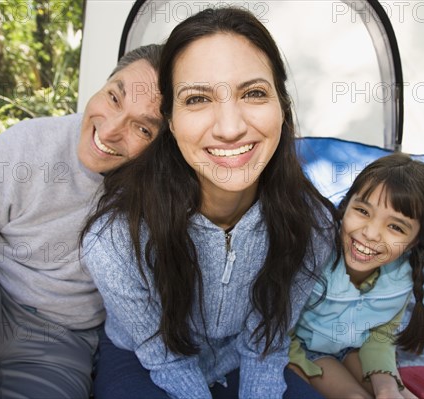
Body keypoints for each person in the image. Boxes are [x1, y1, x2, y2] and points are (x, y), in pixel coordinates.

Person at [81, 7, 337, 399]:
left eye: (253, 93)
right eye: (197, 98)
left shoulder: (313, 226)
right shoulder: (114, 240)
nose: (230, 127)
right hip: (142, 357)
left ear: (282, 106)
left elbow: (265, 341)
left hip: (243, 357)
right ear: (170, 120)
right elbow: (162, 355)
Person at [0, 44, 163, 398]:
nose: (112, 129)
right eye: (114, 98)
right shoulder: (30, 145)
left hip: (61, 338)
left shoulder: (159, 199)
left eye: (143, 129)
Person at [289, 153, 424, 399]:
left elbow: (380, 336)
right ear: (345, 206)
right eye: (362, 210)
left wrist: (388, 388)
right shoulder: (312, 256)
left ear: (415, 242)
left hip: (353, 348)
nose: (371, 233)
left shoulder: (400, 277)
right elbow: (276, 332)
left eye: (395, 227)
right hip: (304, 349)